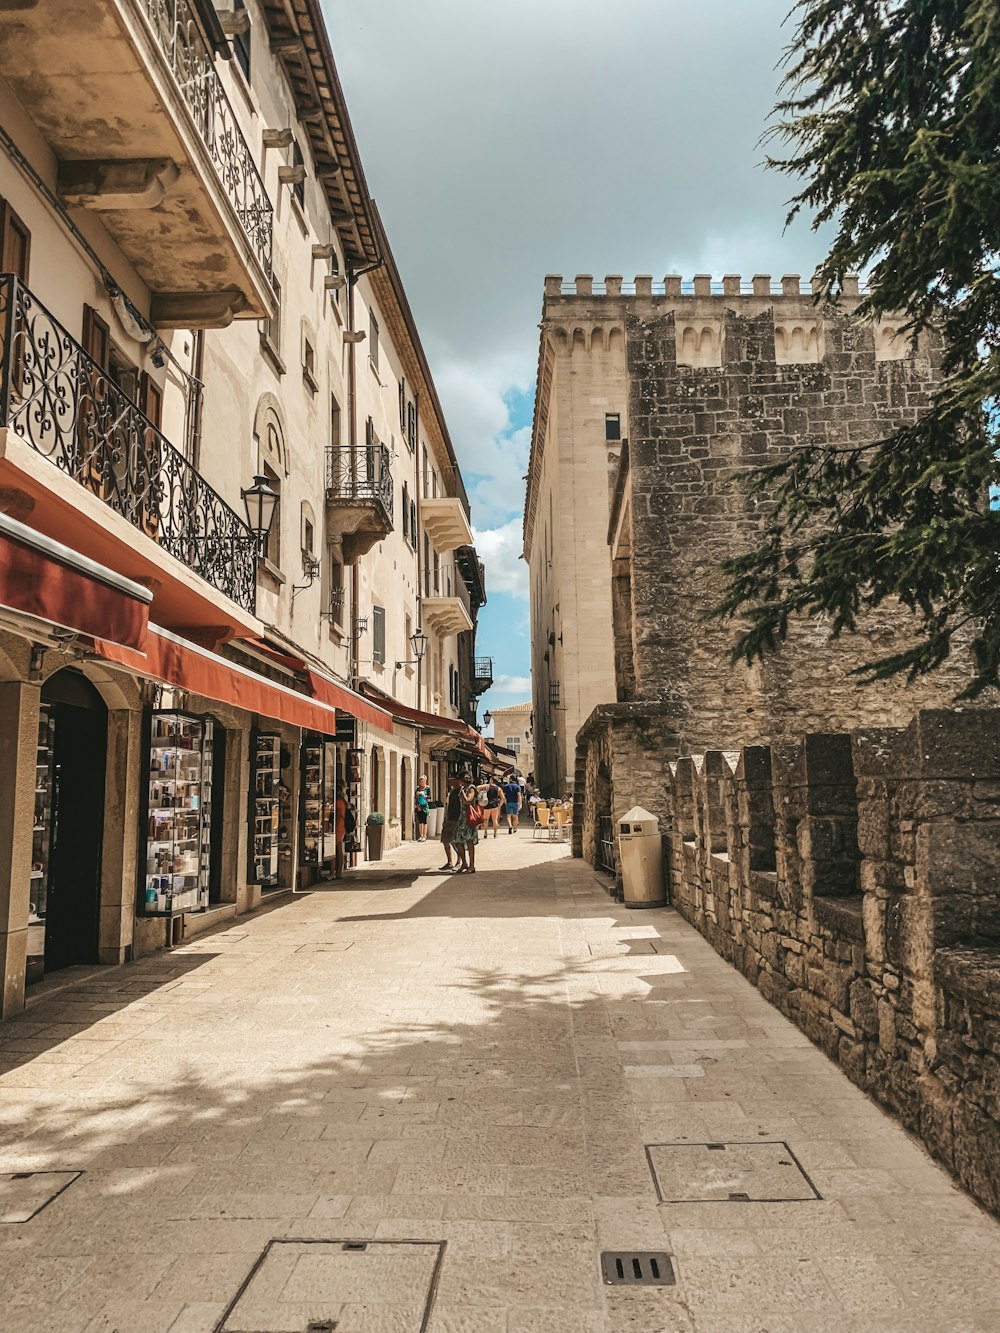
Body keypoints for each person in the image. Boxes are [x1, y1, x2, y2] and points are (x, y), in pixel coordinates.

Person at [452, 775, 480, 872]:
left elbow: (468, 801)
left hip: (469, 819)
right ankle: (464, 862)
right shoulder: (463, 788)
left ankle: (472, 866)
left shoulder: (471, 788)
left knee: (469, 841)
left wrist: (463, 792)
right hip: (462, 818)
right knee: (457, 840)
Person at [440, 772, 464, 870]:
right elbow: (447, 805)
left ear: (457, 780)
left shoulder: (461, 791)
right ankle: (449, 862)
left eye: (451, 779)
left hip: (456, 820)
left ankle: (459, 862)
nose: (449, 781)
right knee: (445, 841)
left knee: (457, 842)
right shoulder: (452, 792)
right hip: (449, 819)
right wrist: (445, 818)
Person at [334, 780, 348, 879]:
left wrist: (333, 827)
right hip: (342, 826)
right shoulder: (343, 801)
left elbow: (338, 816)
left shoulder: (338, 802)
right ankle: (339, 872)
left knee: (338, 850)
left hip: (338, 826)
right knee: (339, 849)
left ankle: (338, 872)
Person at [415, 774, 430, 842]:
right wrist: (417, 794)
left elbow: (429, 797)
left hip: (425, 806)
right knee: (420, 821)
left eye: (423, 781)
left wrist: (424, 795)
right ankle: (420, 835)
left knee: (424, 821)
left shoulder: (427, 788)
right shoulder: (418, 788)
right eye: (420, 781)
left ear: (425, 781)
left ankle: (424, 835)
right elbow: (415, 797)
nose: (421, 782)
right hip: (419, 806)